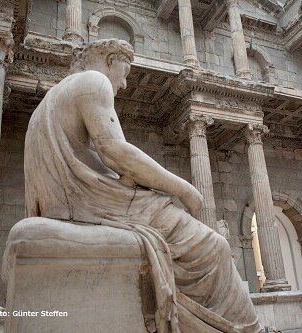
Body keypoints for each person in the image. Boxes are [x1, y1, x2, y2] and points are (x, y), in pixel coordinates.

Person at [24, 39, 263, 333]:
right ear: (110, 59)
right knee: (213, 246)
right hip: (90, 200)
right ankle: (242, 328)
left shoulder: (52, 98)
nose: (124, 84)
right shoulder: (93, 81)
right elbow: (115, 151)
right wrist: (183, 189)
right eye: (124, 73)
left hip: (71, 199)